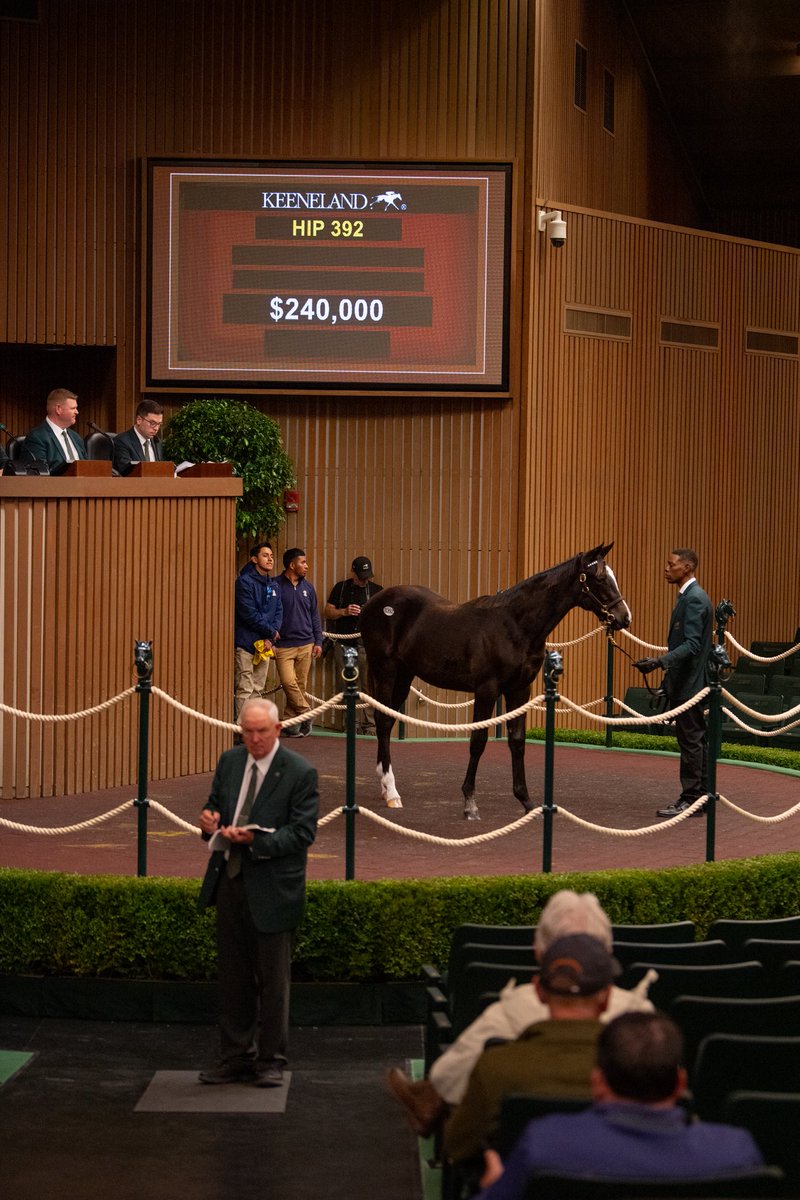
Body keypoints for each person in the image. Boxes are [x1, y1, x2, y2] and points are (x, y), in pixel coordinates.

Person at [385, 890, 654, 1137]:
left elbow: (452, 1096)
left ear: (539, 953)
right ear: (607, 953)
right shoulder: (642, 1017)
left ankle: (428, 1099)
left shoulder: (509, 1013)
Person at [476, 1012, 764, 1198]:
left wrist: (492, 1188)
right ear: (680, 1083)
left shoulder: (545, 1143)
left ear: (598, 1081)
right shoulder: (736, 1153)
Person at [196, 698, 319, 1087]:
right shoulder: (229, 762)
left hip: (274, 889)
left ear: (278, 730)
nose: (254, 739)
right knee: (232, 977)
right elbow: (213, 809)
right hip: (230, 882)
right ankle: (234, 1057)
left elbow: (303, 833)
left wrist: (255, 841)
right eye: (247, 732)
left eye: (262, 731)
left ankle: (270, 1060)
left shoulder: (300, 772)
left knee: (273, 979)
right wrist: (209, 822)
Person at [442, 933, 619, 1166]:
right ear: (606, 996)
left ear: (538, 991)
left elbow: (457, 1146)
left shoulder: (496, 1066)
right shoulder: (640, 1068)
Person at [635, 548, 713, 818]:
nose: (666, 569)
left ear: (688, 568)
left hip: (691, 684)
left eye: (672, 565)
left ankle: (691, 799)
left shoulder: (693, 600)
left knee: (691, 741)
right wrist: (667, 681)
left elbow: (691, 646)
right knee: (695, 741)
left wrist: (659, 662)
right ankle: (702, 798)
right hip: (687, 682)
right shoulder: (690, 597)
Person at [323, 555, 383, 734]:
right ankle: (352, 724)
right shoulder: (341, 588)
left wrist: (370, 614)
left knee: (368, 685)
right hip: (344, 643)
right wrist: (345, 611)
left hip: (368, 646)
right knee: (349, 685)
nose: (364, 580)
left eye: (367, 576)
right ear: (353, 572)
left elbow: (385, 619)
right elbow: (327, 611)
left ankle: (370, 725)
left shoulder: (377, 590)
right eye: (361, 576)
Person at [273, 547, 323, 737]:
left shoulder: (308, 587)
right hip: (283, 646)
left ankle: (289, 724)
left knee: (300, 686)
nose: (306, 566)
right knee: (288, 682)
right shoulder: (275, 585)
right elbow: (270, 615)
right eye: (303, 562)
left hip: (306, 644)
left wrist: (318, 641)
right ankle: (306, 712)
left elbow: (314, 616)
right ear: (292, 565)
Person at [233, 542, 283, 721]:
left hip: (266, 644)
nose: (270, 559)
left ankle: (253, 724)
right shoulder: (244, 582)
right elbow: (248, 612)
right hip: (246, 642)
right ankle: (240, 727)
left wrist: (272, 635)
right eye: (265, 555)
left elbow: (278, 612)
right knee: (245, 686)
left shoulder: (274, 585)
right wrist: (270, 631)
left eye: (271, 555)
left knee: (258, 688)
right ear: (254, 559)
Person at [23, 387, 87, 473]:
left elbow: (87, 467)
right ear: (58, 409)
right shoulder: (37, 437)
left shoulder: (76, 438)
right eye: (73, 408)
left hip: (83, 485)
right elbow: (39, 474)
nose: (77, 412)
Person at [112, 399, 165, 474]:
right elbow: (125, 471)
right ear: (139, 420)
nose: (156, 428)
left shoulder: (157, 442)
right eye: (152, 423)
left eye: (159, 424)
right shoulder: (122, 441)